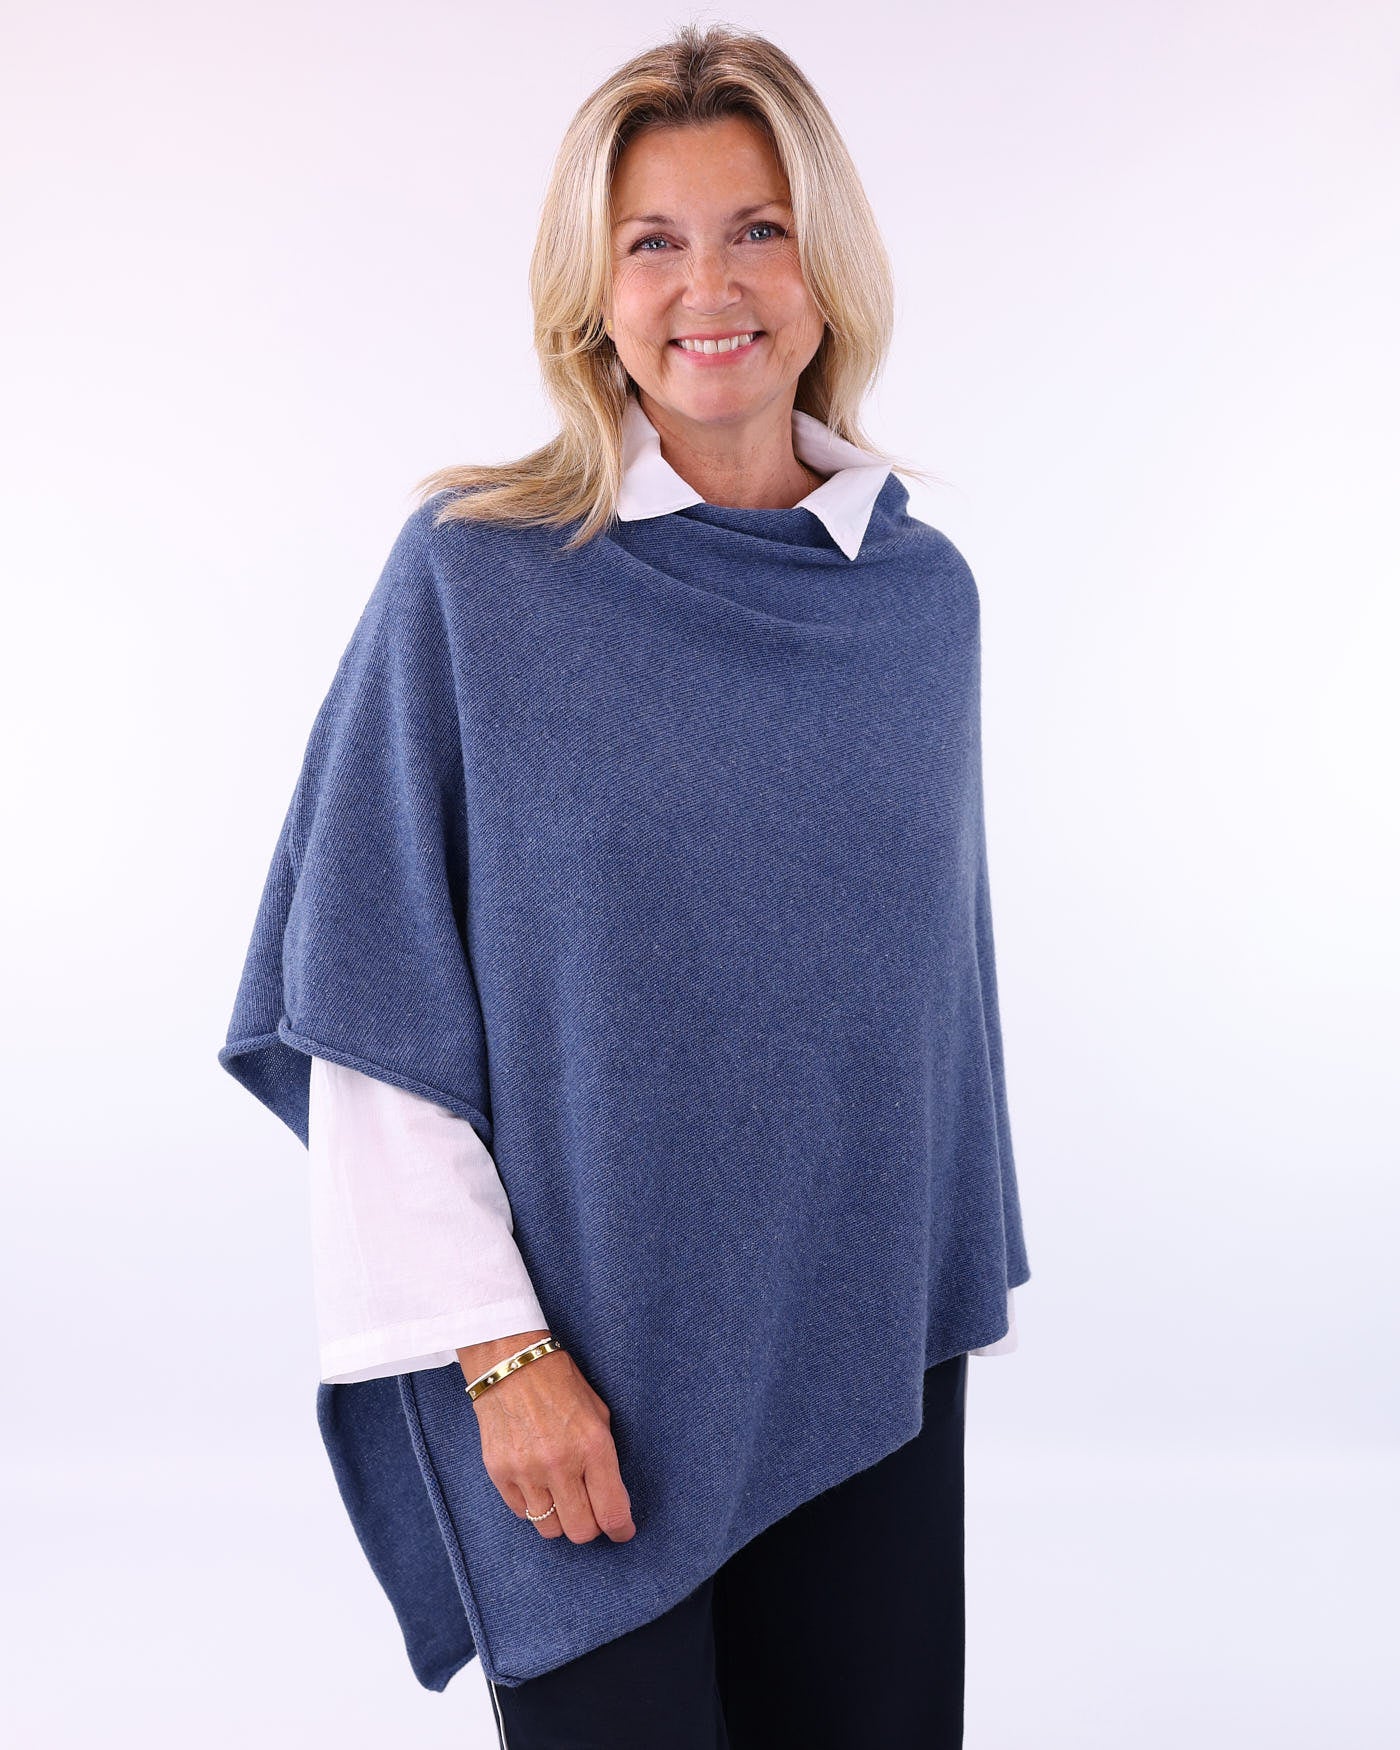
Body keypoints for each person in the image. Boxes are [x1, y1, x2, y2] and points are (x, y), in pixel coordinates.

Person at [218, 22, 1032, 1749]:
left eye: (758, 229)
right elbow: (370, 1000)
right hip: (582, 1392)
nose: (708, 287)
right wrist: (498, 1354)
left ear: (827, 267)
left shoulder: (917, 602)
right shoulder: (479, 579)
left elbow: (918, 1027)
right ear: (593, 292)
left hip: (869, 1372)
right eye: (652, 240)